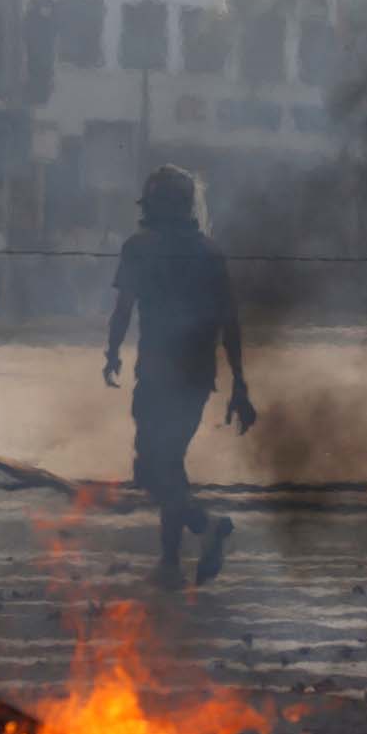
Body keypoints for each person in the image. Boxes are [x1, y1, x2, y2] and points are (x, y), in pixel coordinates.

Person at [104, 165, 258, 589]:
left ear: (154, 205)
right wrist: (239, 384)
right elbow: (230, 324)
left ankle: (205, 527)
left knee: (154, 468)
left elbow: (123, 310)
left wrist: (112, 352)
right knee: (170, 463)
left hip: (156, 374)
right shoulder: (210, 253)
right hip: (196, 377)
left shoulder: (139, 248)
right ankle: (170, 563)